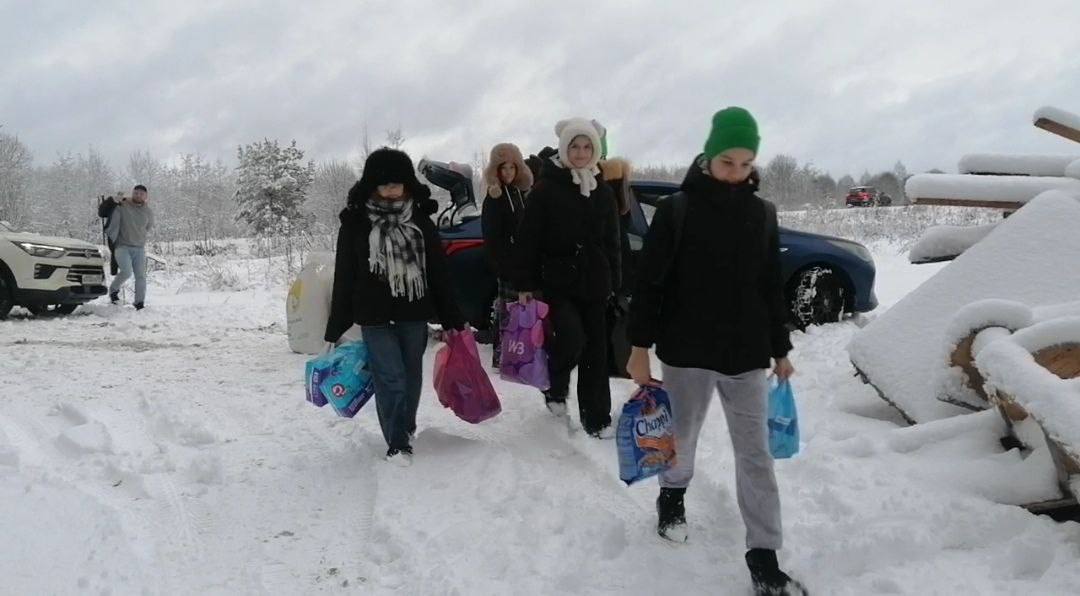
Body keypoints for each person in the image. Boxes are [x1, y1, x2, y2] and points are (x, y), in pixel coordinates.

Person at [626, 108, 805, 595]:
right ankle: (672, 497)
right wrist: (638, 347)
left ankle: (764, 556)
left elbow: (769, 287)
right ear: (708, 156)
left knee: (756, 455)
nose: (736, 172)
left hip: (745, 355)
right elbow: (650, 284)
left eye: (746, 164)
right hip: (686, 351)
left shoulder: (762, 214)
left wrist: (779, 347)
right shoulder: (678, 211)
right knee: (681, 439)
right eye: (728, 161)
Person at [324, 148, 465, 467]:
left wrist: (453, 317)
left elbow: (439, 273)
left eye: (397, 183)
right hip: (373, 316)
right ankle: (397, 441)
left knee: (410, 374)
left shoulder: (421, 221)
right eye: (383, 184)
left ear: (407, 184)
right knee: (390, 377)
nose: (390, 189)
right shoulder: (355, 223)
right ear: (371, 185)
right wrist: (335, 325)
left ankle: (406, 426)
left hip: (412, 313)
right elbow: (344, 273)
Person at [513, 118, 620, 438]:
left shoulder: (601, 191)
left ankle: (597, 419)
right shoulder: (546, 189)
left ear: (595, 150)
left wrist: (616, 281)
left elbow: (614, 241)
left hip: (596, 283)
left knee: (597, 352)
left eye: (587, 147)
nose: (581, 152)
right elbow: (527, 240)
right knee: (573, 339)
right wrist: (525, 284)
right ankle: (555, 386)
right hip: (558, 282)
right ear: (564, 148)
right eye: (575, 146)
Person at [481, 143, 534, 368]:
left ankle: (519, 354)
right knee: (506, 312)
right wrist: (502, 266)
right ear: (497, 171)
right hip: (507, 265)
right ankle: (502, 356)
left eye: (512, 168)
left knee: (522, 312)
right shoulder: (494, 198)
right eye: (504, 169)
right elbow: (491, 237)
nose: (509, 173)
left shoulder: (520, 194)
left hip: (524, 264)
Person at [104, 184, 154, 310]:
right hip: (122, 246)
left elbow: (148, 227)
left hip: (139, 248)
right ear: (132, 193)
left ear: (146, 196)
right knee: (126, 271)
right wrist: (113, 201)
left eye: (141, 194)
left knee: (141, 276)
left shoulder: (148, 211)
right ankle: (113, 290)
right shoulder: (123, 205)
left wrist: (139, 236)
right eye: (136, 193)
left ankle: (139, 303)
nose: (138, 195)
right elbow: (104, 212)